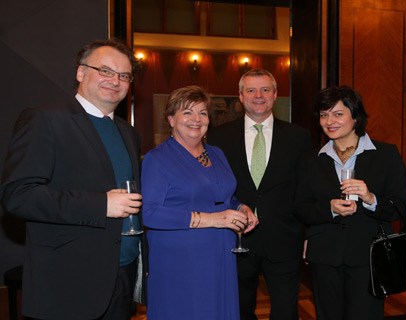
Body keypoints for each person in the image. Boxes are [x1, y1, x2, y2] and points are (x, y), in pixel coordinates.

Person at [0, 39, 146, 319]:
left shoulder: (128, 133)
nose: (115, 81)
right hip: (68, 280)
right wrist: (99, 205)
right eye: (105, 70)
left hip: (122, 276)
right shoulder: (44, 120)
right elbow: (17, 195)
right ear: (81, 73)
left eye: (124, 75)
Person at [141, 86, 259, 319]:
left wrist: (239, 207)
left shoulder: (216, 153)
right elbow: (149, 213)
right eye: (187, 112)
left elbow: (222, 196)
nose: (196, 119)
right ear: (171, 119)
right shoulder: (157, 158)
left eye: (202, 113)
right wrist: (213, 219)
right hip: (180, 255)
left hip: (221, 250)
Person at [294, 86, 406, 320]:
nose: (329, 121)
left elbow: (400, 207)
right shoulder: (311, 159)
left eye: (338, 114)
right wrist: (329, 208)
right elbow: (301, 207)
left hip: (369, 257)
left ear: (355, 116)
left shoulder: (386, 155)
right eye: (324, 115)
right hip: (324, 256)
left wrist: (370, 199)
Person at [208, 69, 312, 320]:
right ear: (241, 97)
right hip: (235, 238)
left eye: (265, 89)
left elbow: (307, 188)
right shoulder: (217, 137)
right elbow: (212, 186)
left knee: (286, 311)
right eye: (251, 90)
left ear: (275, 95)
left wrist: (310, 233)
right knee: (240, 310)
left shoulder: (299, 137)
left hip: (284, 238)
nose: (258, 95)